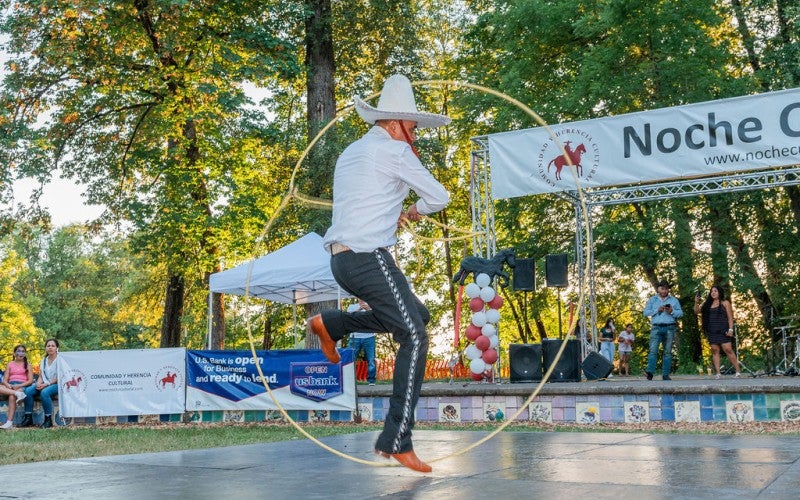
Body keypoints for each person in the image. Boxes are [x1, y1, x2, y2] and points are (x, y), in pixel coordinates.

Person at [307, 74, 450, 473]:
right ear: (395, 124)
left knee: (417, 316)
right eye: (413, 127)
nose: (414, 135)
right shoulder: (395, 151)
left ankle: (333, 323)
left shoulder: (353, 151)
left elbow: (366, 199)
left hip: (342, 261)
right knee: (415, 336)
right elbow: (439, 197)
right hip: (369, 257)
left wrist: (395, 210)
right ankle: (397, 439)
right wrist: (415, 210)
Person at [694, 285, 740, 379]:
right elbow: (696, 311)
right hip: (712, 330)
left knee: (728, 349)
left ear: (719, 292)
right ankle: (718, 373)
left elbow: (730, 318)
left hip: (724, 330)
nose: (713, 293)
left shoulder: (725, 303)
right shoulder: (707, 304)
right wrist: (696, 302)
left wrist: (731, 329)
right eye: (712, 291)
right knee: (715, 350)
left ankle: (738, 371)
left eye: (715, 291)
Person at [643, 280, 683, 381]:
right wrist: (657, 310)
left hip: (669, 327)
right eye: (662, 288)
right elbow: (645, 312)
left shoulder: (674, 300)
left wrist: (672, 311)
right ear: (658, 289)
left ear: (668, 289)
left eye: (666, 289)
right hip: (656, 327)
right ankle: (650, 373)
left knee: (668, 352)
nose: (664, 291)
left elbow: (680, 313)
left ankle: (665, 374)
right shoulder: (652, 300)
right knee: (653, 351)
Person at [22, 338, 61, 428]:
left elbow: (60, 377)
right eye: (48, 346)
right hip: (44, 383)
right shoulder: (43, 360)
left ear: (57, 348)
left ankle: (48, 420)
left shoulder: (60, 360)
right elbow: (41, 375)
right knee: (28, 391)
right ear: (45, 348)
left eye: (53, 346)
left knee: (44, 392)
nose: (50, 347)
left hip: (57, 384)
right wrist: (38, 383)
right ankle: (28, 418)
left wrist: (46, 384)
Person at [1, 344, 33, 428]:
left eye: (23, 351)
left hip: (22, 385)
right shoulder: (10, 364)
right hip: (11, 385)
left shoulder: (28, 365)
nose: (21, 353)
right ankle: (17, 393)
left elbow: (30, 381)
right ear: (14, 353)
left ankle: (9, 422)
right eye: (19, 351)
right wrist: (8, 385)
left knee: (12, 397)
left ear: (25, 354)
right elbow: (4, 380)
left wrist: (19, 385)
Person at [347, 300, 377, 385]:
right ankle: (349, 380)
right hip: (354, 337)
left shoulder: (371, 306)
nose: (361, 299)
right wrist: (359, 309)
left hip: (369, 336)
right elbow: (348, 318)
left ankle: (371, 380)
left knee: (371, 359)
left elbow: (377, 317)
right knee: (351, 359)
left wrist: (368, 309)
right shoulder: (352, 307)